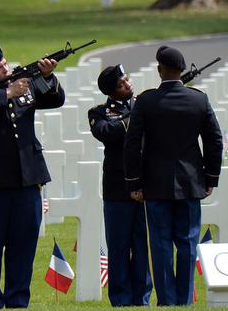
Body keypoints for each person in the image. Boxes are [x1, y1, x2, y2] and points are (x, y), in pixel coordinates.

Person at [0, 45, 65, 308]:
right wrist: (7, 92)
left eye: (6, 64)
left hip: (27, 176)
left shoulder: (23, 82)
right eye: (0, 68)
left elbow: (55, 99)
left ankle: (18, 299)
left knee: (24, 243)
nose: (7, 69)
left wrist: (48, 76)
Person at [124, 46, 223, 306]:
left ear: (160, 70)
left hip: (155, 184)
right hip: (191, 183)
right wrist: (210, 177)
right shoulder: (198, 100)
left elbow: (132, 144)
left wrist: (134, 182)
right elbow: (214, 140)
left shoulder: (145, 101)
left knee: (160, 243)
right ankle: (185, 299)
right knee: (188, 242)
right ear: (182, 71)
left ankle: (167, 300)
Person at [88, 64, 152, 307]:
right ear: (111, 92)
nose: (128, 85)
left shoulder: (144, 105)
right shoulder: (99, 112)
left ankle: (142, 297)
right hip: (117, 189)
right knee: (118, 247)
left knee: (142, 245)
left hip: (146, 185)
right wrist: (135, 117)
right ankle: (121, 298)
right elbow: (106, 131)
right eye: (121, 84)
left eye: (127, 79)